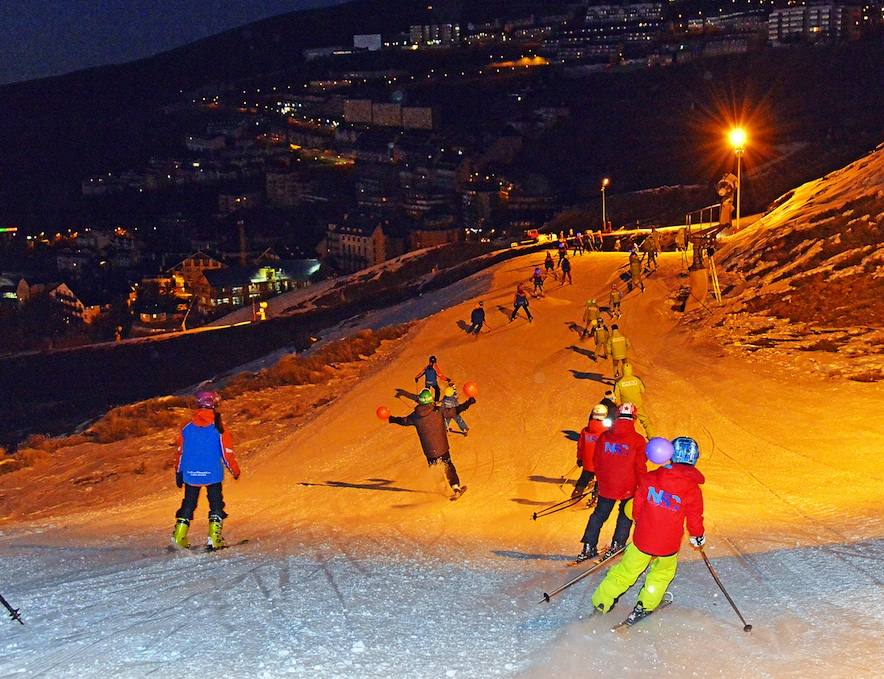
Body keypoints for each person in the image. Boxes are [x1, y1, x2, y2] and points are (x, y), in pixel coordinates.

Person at [591, 436, 705, 623]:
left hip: (642, 539)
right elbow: (694, 517)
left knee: (625, 571)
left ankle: (602, 600)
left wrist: (641, 522)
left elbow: (637, 508)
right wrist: (697, 535)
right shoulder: (692, 489)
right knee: (661, 574)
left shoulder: (650, 478)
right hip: (668, 544)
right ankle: (645, 604)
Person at [574, 403, 647, 563]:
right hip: (628, 485)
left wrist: (602, 478)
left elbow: (597, 460)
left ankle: (588, 546)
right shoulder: (638, 440)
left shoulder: (604, 436)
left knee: (599, 514)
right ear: (633, 418)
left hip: (607, 485)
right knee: (625, 515)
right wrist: (643, 485)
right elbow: (640, 466)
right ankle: (617, 544)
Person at [172, 391, 241, 550]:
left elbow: (180, 451)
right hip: (212, 474)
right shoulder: (219, 427)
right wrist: (235, 471)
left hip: (191, 474)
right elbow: (226, 452)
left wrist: (178, 471)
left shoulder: (187, 427)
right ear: (214, 405)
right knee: (216, 503)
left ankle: (179, 536)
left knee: (188, 503)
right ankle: (215, 538)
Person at [389, 388, 476, 499]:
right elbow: (455, 411)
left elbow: (403, 421)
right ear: (430, 400)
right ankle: (455, 488)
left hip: (429, 451)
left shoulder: (415, 416)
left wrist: (391, 419)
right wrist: (469, 402)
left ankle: (442, 489)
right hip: (442, 447)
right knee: (448, 466)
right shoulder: (438, 411)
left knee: (435, 468)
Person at [572, 404, 610, 506]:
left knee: (584, 477)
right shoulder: (606, 433)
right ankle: (596, 497)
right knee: (601, 481)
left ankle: (576, 494)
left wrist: (580, 458)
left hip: (588, 462)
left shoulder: (585, 431)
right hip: (600, 464)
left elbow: (581, 446)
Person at [614, 363, 652, 437]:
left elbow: (616, 396)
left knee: (626, 423)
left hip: (626, 408)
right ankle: (651, 436)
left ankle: (624, 438)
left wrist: (619, 406)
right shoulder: (637, 380)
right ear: (631, 370)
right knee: (645, 421)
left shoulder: (619, 382)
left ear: (623, 370)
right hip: (638, 405)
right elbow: (643, 391)